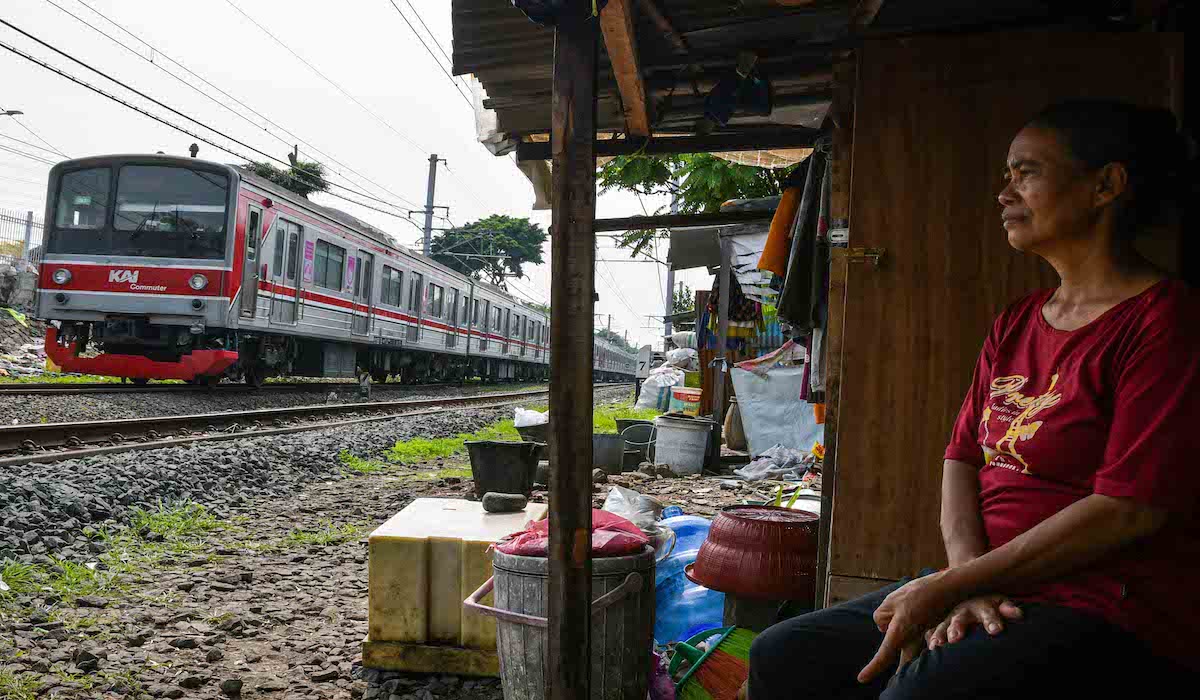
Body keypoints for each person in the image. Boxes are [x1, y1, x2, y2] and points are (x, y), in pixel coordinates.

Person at [747, 100, 1198, 698]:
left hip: (1102, 600)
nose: (1004, 193)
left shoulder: (1164, 321)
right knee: (784, 654)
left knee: (919, 692)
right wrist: (963, 579)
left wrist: (954, 586)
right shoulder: (1017, 322)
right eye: (1007, 175)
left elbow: (1129, 508)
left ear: (1106, 185)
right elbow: (962, 457)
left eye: (1026, 173)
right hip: (987, 579)